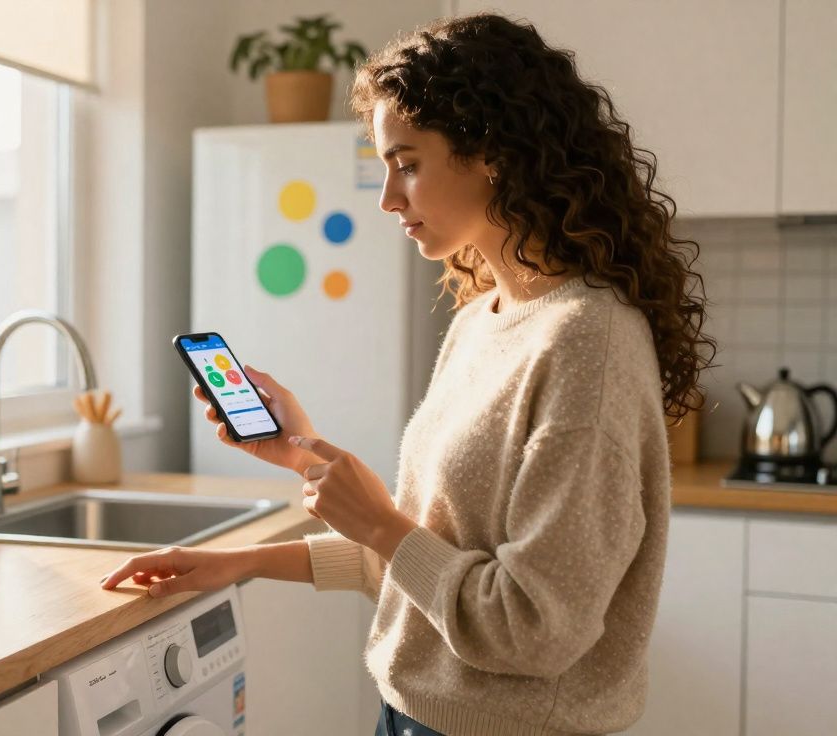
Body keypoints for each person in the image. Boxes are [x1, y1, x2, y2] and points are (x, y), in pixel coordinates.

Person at [101, 12, 714, 736]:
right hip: (410, 715)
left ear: (495, 152)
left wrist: (382, 524)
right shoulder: (483, 320)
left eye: (409, 163)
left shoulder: (589, 343)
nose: (389, 197)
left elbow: (531, 629)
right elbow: (431, 565)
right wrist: (247, 550)